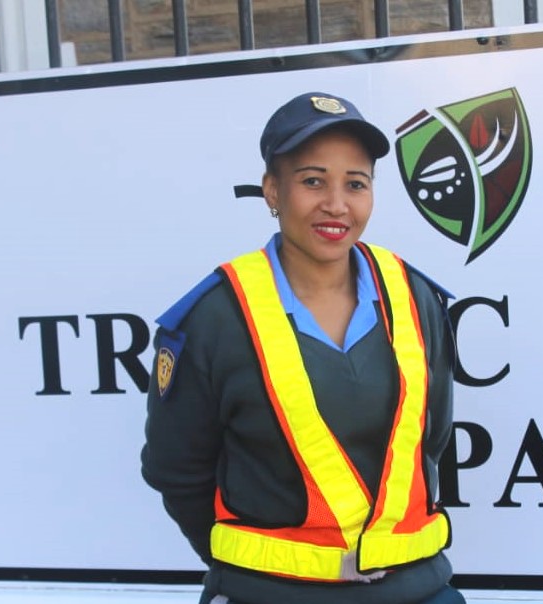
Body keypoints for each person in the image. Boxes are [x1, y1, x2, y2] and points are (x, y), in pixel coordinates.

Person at [141, 91, 463, 604]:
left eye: (355, 184)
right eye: (312, 181)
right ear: (272, 190)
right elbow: (177, 471)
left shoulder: (413, 296)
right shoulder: (213, 317)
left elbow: (432, 439)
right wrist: (261, 566)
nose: (336, 205)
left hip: (417, 590)